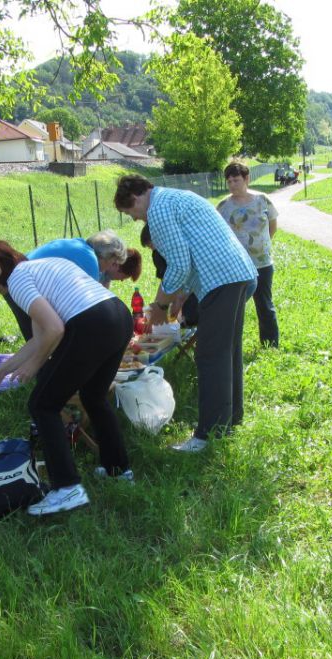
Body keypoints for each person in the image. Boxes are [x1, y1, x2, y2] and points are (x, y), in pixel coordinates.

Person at [0, 241, 133, 516]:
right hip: (118, 316)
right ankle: (117, 469)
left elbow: (55, 329)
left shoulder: (18, 279)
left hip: (91, 324)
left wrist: (34, 367)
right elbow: (39, 338)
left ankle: (67, 487)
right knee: (93, 396)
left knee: (43, 405)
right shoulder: (41, 269)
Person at [114, 174, 257, 452]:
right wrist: (179, 296)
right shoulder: (174, 197)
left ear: (135, 198)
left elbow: (178, 264)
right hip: (235, 274)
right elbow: (193, 255)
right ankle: (231, 419)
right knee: (227, 351)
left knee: (210, 355)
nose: (135, 220)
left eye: (130, 213)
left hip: (221, 279)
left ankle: (208, 435)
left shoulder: (158, 210)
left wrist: (160, 306)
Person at [6, 231, 142, 340]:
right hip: (22, 283)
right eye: (113, 263)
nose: (108, 268)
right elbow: (92, 308)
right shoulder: (90, 260)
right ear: (107, 256)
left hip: (21, 279)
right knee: (41, 341)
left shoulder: (82, 247)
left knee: (44, 338)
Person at [216, 161, 280, 347]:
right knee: (235, 307)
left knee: (265, 305)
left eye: (236, 180)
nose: (232, 185)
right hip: (236, 266)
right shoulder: (223, 206)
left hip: (262, 263)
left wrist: (263, 245)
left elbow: (272, 225)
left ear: (246, 179)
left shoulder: (262, 200)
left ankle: (270, 343)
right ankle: (233, 345)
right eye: (229, 182)